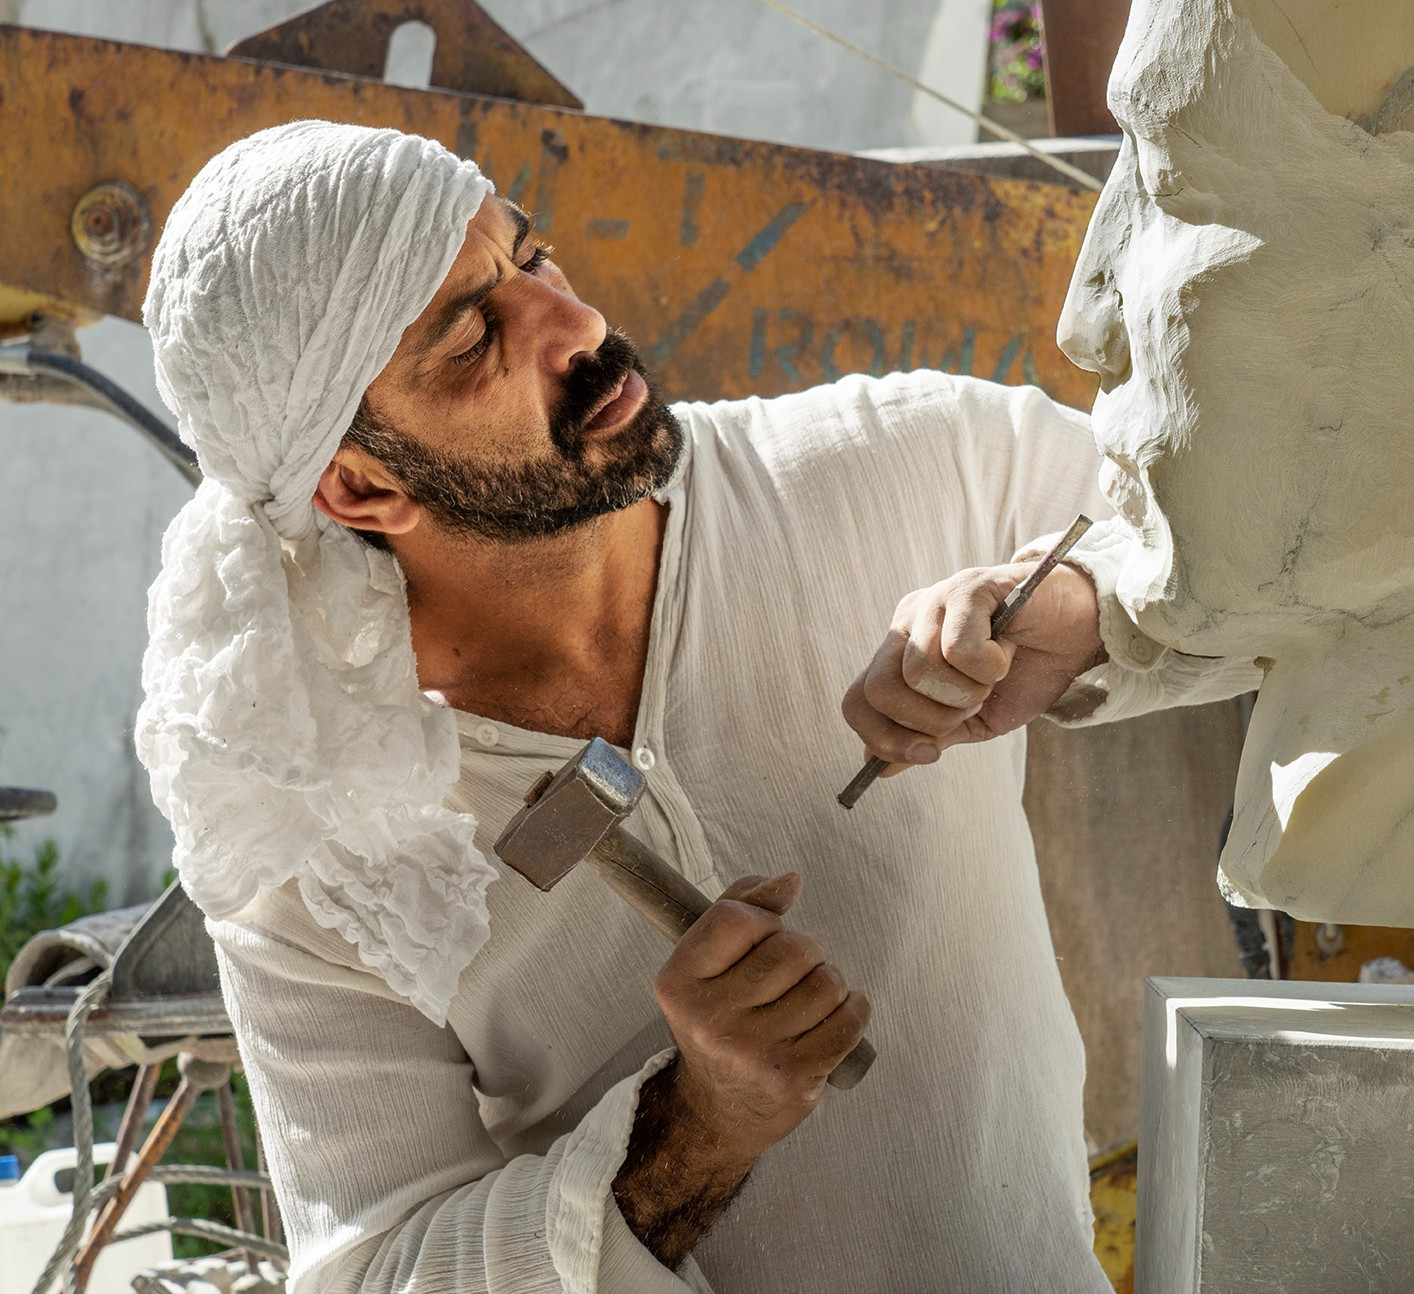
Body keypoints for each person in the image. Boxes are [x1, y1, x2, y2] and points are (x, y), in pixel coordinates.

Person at [136, 122, 1256, 1293]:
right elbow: (374, 1273)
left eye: (533, 257)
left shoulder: (906, 469)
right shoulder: (317, 845)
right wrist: (692, 1133)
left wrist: (1081, 601)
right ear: (361, 486)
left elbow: (1282, 558)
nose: (570, 326)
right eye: (473, 336)